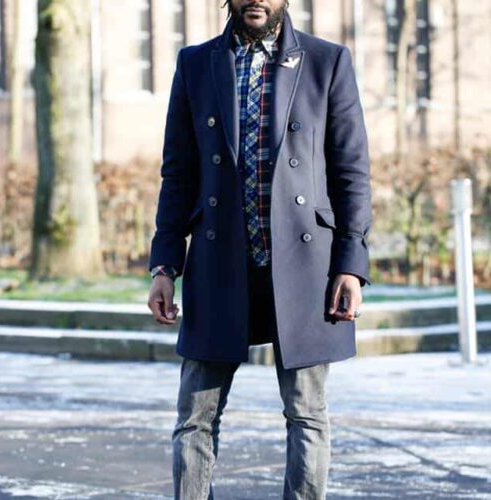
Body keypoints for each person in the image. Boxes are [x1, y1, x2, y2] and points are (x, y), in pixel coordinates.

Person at [147, 1, 373, 498]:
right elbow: (178, 174)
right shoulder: (195, 63)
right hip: (218, 264)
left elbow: (351, 172)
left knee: (306, 414)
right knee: (195, 416)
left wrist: (351, 266)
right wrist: (164, 264)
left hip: (305, 268)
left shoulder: (327, 61)